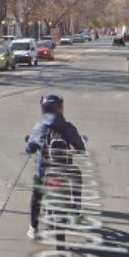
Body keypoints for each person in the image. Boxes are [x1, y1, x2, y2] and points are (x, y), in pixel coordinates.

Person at [25, 94, 86, 238]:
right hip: (66, 173)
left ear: (44, 109)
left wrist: (31, 146)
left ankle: (33, 228)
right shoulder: (69, 127)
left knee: (36, 194)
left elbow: (29, 149)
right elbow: (81, 148)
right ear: (60, 109)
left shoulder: (39, 128)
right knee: (77, 178)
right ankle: (76, 211)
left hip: (44, 172)